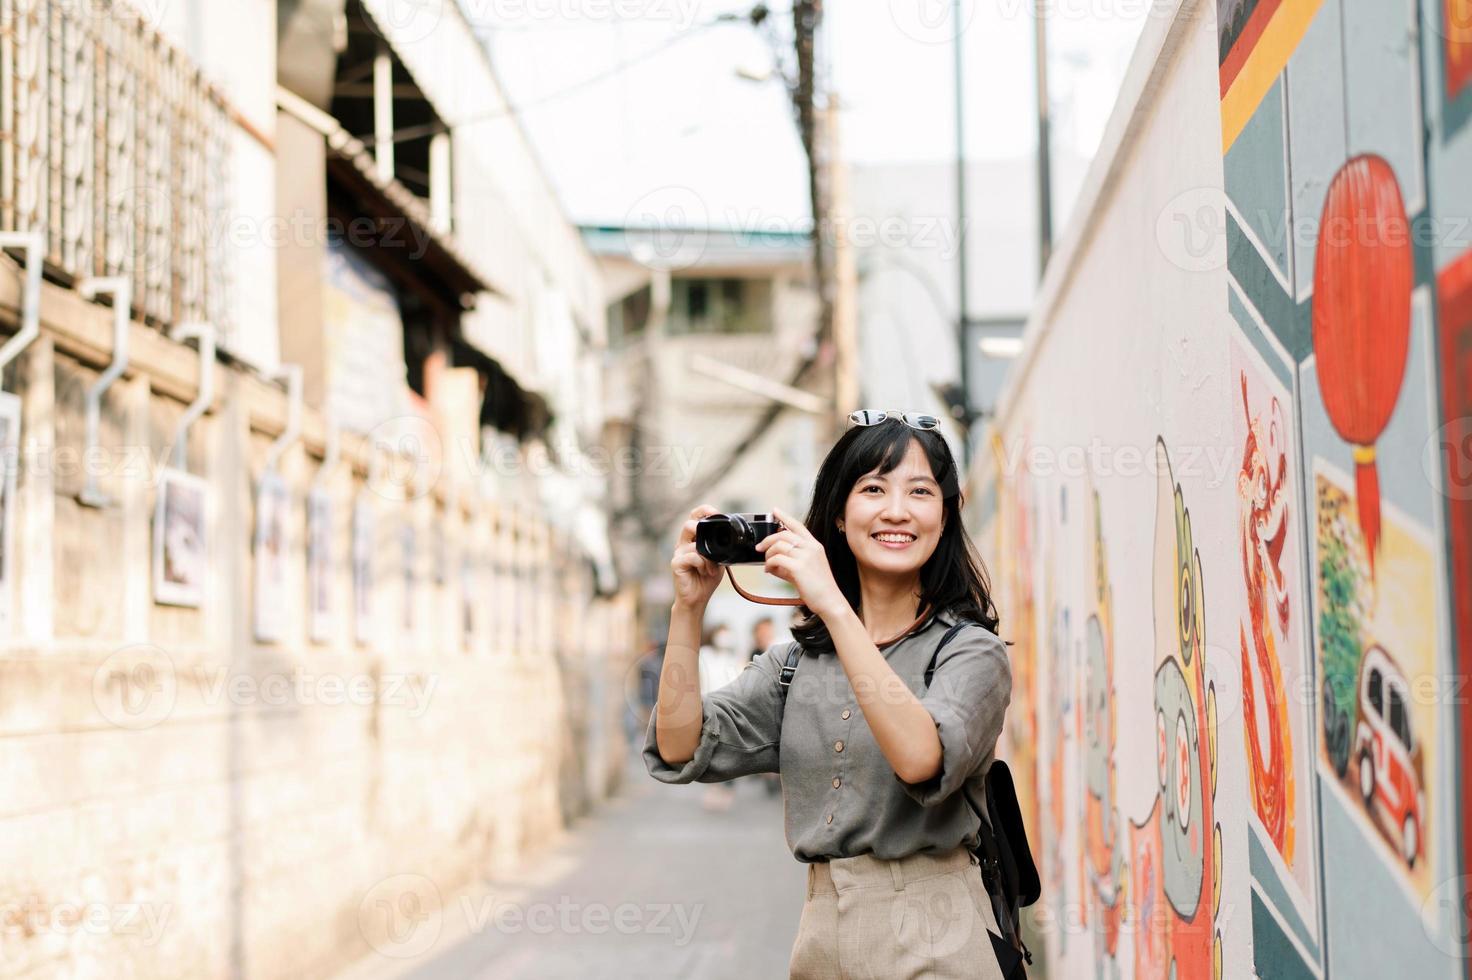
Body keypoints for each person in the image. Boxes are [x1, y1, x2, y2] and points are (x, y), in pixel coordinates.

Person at [644, 410, 1012, 979]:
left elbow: (921, 760)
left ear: (945, 515)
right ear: (839, 516)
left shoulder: (970, 653)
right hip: (821, 935)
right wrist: (688, 610)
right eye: (873, 489)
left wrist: (834, 605)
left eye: (920, 491)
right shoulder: (795, 664)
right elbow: (677, 745)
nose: (897, 510)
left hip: (936, 933)